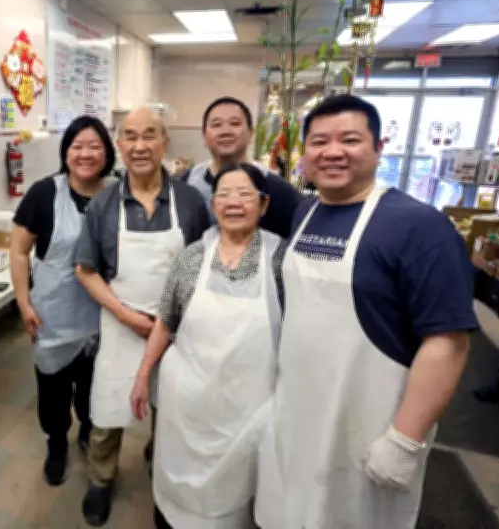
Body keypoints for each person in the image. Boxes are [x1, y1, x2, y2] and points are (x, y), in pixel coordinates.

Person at [254, 95, 475, 529]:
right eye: (319, 141)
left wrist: (405, 440)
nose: (333, 152)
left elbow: (448, 341)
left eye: (350, 139)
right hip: (298, 412)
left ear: (379, 148)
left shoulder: (420, 227)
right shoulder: (305, 213)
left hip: (368, 424)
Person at [74, 107, 211, 527]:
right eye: (130, 136)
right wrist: (125, 315)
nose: (139, 145)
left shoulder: (189, 201)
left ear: (165, 142)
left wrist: (174, 322)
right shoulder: (103, 203)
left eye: (149, 135)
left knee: (169, 411)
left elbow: (202, 265)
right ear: (120, 145)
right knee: (107, 409)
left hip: (177, 332)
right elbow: (85, 268)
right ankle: (101, 479)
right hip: (120, 326)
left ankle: (163, 477)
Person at [130, 163, 284, 529]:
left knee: (237, 492)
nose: (233, 203)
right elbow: (165, 323)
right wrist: (141, 376)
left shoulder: (281, 261)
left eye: (244, 194)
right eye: (224, 195)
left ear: (263, 205)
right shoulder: (192, 257)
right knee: (178, 479)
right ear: (213, 204)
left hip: (250, 407)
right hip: (187, 403)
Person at [10, 115, 116, 487]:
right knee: (53, 390)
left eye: (95, 146)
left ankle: (88, 432)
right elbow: (20, 251)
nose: (85, 154)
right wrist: (24, 303)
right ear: (65, 152)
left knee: (94, 388)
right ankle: (57, 443)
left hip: (104, 317)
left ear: (107, 152)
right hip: (53, 315)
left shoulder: (119, 193)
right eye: (77, 146)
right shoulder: (43, 193)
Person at [179, 96, 302, 238]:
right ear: (204, 137)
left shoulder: (279, 191)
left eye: (235, 123)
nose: (225, 131)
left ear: (250, 134)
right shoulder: (187, 183)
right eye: (216, 125)